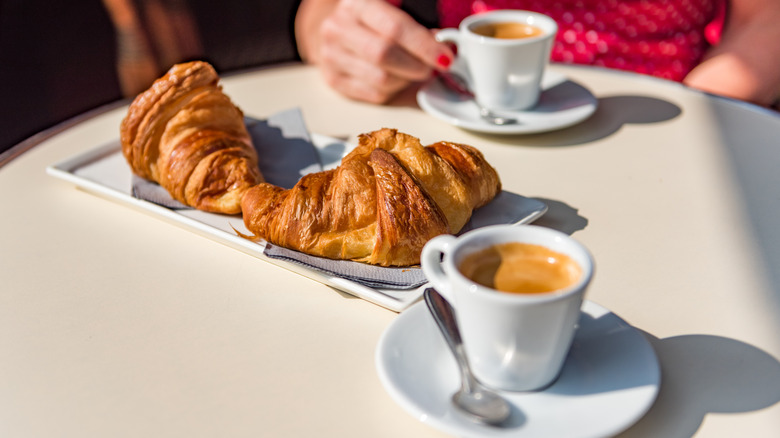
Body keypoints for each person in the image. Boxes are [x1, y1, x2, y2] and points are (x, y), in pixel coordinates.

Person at [294, 0, 780, 108]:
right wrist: (341, 38)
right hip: (466, 116)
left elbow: (764, 21)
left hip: (659, 113)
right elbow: (322, 16)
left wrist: (692, 112)